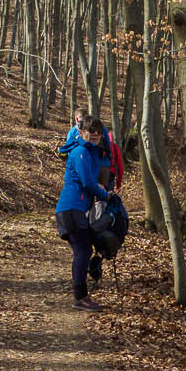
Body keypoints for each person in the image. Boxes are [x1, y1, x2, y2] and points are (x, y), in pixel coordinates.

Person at [55, 115, 111, 309]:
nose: (94, 134)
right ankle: (80, 297)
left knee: (84, 250)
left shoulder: (93, 152)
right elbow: (87, 182)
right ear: (81, 132)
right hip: (71, 209)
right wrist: (105, 195)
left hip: (77, 209)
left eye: (98, 131)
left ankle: (81, 294)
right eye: (90, 131)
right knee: (83, 250)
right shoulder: (80, 152)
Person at [58, 110, 125, 193]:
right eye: (92, 131)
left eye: (98, 132)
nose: (96, 134)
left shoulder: (75, 132)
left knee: (99, 197)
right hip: (94, 168)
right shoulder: (76, 138)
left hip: (101, 167)